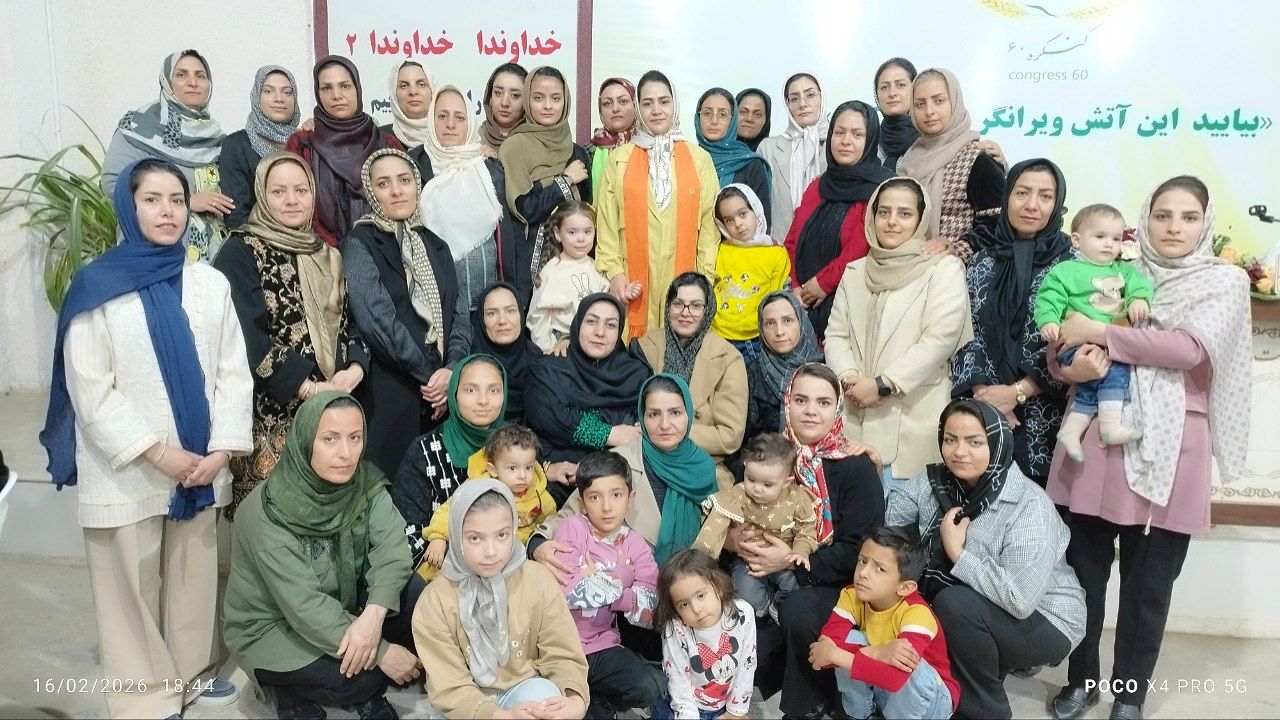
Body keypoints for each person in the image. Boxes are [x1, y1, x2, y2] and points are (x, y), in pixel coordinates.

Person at [41, 158, 253, 718]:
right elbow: (90, 387)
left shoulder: (209, 283)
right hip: (129, 466)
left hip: (201, 464)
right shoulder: (97, 285)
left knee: (192, 579)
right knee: (129, 586)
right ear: (128, 207)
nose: (167, 212)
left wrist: (220, 450)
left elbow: (233, 371)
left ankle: (191, 674)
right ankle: (143, 695)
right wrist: (159, 453)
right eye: (152, 200)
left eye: (177, 200)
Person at [1046, 176, 1251, 720]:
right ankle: (1081, 680)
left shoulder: (1223, 281)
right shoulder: (1116, 272)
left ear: (1205, 222)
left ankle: (1130, 695)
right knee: (1083, 573)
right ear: (1145, 220)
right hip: (1099, 439)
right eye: (1163, 215)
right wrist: (1069, 364)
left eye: (1188, 217)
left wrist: (1100, 333)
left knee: (1149, 584)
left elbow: (1185, 351)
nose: (1174, 227)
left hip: (1174, 445)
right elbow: (1063, 337)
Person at [222, 392, 422, 720]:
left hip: (344, 604)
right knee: (366, 678)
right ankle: (282, 687)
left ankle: (330, 670)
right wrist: (382, 653)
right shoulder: (267, 512)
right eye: (330, 439)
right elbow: (305, 607)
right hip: (276, 625)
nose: (346, 453)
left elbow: (394, 551)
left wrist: (372, 618)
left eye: (355, 437)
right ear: (305, 440)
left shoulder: (364, 482)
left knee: (415, 595)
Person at [887, 398, 1085, 720]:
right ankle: (956, 685)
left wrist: (957, 554)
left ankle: (984, 710)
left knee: (955, 605)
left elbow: (1019, 599)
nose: (959, 452)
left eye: (975, 442)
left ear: (996, 442)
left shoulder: (1028, 504)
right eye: (950, 439)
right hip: (987, 608)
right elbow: (891, 520)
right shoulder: (937, 480)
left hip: (1047, 618)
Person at [213, 152, 369, 519]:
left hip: (331, 415)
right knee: (273, 532)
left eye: (301, 190)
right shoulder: (240, 251)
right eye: (279, 191)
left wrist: (355, 369)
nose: (291, 200)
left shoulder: (328, 254)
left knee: (329, 528)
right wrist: (309, 389)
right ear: (262, 195)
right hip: (271, 420)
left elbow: (351, 322)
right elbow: (246, 340)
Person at [744, 363, 884, 718]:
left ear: (837, 409)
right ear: (787, 402)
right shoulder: (770, 456)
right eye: (801, 400)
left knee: (800, 608)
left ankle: (808, 708)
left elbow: (860, 551)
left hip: (836, 581)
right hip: (765, 572)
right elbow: (738, 507)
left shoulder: (856, 466)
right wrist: (740, 542)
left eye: (823, 402)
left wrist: (791, 561)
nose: (810, 411)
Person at [824, 177, 972, 494]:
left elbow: (940, 339)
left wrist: (883, 384)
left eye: (905, 214)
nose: (892, 221)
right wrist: (850, 380)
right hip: (853, 419)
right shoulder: (855, 271)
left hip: (912, 423)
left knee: (902, 520)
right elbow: (836, 334)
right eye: (884, 212)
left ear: (920, 220)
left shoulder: (943, 269)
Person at [412, 480, 590, 720]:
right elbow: (449, 685)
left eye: (502, 535)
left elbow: (561, 651)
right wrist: (498, 715)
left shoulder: (537, 579)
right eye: (475, 538)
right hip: (464, 704)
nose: (491, 551)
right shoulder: (435, 600)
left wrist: (575, 699)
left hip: (523, 687)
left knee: (546, 699)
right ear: (455, 535)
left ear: (514, 529)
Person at [341, 149, 469, 475]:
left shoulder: (437, 244)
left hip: (442, 397)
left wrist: (452, 370)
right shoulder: (360, 242)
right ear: (371, 192)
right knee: (393, 487)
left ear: (417, 184)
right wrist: (430, 377)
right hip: (393, 393)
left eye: (404, 180)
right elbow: (376, 320)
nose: (397, 191)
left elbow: (459, 314)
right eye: (383, 184)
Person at [952, 158, 1075, 487]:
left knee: (1044, 512)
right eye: (1021, 193)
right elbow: (965, 332)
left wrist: (1018, 392)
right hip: (984, 415)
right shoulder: (982, 259)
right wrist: (988, 396)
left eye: (1045, 196)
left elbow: (1074, 340)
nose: (1031, 205)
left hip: (1047, 417)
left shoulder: (1073, 265)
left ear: (1057, 203)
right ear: (1006, 197)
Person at [530, 374, 717, 569]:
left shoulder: (702, 467)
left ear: (688, 413)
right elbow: (570, 515)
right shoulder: (618, 461)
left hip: (690, 575)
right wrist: (537, 543)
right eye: (654, 414)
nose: (664, 424)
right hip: (624, 578)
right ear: (642, 418)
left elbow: (716, 526)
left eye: (675, 413)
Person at [595, 70, 720, 340]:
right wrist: (615, 275)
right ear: (638, 108)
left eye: (664, 101)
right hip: (632, 286)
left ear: (675, 104)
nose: (656, 111)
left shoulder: (699, 159)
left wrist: (703, 282)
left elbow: (710, 230)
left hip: (685, 285)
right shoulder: (619, 159)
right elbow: (605, 224)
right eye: (647, 103)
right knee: (635, 353)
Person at [550, 450, 666, 719]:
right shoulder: (572, 527)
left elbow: (649, 611)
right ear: (582, 503)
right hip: (562, 647)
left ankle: (597, 700)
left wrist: (606, 588)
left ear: (630, 498)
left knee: (651, 687)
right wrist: (622, 577)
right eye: (595, 497)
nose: (606, 506)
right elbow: (566, 592)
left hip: (602, 645)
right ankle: (588, 702)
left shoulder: (635, 544)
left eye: (616, 495)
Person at [1036, 204, 1152, 459]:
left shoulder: (1123, 270)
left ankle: (1071, 431)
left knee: (1089, 387)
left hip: (1106, 339)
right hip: (1075, 344)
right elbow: (1049, 298)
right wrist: (1048, 321)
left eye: (1116, 238)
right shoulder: (1065, 271)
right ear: (1077, 240)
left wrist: (1138, 300)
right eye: (1100, 236)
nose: (1109, 244)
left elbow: (1140, 285)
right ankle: (1110, 428)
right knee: (1116, 372)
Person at [809, 526, 959, 720]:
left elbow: (895, 679)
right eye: (863, 561)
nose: (863, 573)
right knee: (851, 638)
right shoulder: (851, 595)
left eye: (879, 569)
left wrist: (835, 654)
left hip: (930, 700)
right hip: (884, 686)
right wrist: (876, 652)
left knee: (912, 666)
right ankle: (860, 715)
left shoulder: (917, 614)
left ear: (905, 587)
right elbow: (822, 653)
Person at [102, 50, 230, 262]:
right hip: (153, 252)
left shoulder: (217, 138)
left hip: (213, 257)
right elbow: (113, 184)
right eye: (181, 74)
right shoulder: (139, 127)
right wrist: (185, 202)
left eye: (200, 76)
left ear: (209, 85)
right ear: (167, 82)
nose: (192, 82)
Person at [523, 294, 651, 504]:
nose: (600, 332)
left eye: (611, 325)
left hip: (616, 486)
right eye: (591, 321)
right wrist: (607, 434)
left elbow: (639, 429)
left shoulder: (636, 375)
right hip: (556, 481)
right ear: (578, 325)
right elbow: (545, 415)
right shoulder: (551, 367)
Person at [784, 100, 893, 337]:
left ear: (870, 140)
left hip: (850, 308)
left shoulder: (883, 188)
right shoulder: (817, 186)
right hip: (801, 304)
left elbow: (862, 247)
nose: (845, 141)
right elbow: (792, 240)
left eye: (857, 134)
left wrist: (823, 283)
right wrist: (794, 285)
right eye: (839, 132)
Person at [391, 355, 509, 567]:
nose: (483, 400)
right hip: (442, 573)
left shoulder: (515, 446)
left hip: (506, 566)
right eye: (471, 390)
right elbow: (407, 534)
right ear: (454, 393)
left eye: (493, 390)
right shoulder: (425, 452)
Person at [632, 273, 748, 490]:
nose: (686, 313)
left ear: (708, 310)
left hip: (703, 462)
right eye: (678, 304)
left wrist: (671, 432)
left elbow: (730, 436)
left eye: (696, 306)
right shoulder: (645, 347)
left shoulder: (727, 357)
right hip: (646, 458)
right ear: (668, 307)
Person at [694, 433, 817, 619]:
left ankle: (778, 605)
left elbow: (806, 530)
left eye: (767, 484)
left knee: (796, 589)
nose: (757, 489)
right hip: (749, 560)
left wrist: (800, 552)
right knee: (745, 594)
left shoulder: (797, 499)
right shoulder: (740, 494)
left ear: (786, 482)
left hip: (784, 559)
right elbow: (717, 520)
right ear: (745, 468)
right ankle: (763, 609)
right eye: (751, 479)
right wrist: (703, 557)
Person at [420, 85, 520, 307]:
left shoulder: (489, 167)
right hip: (438, 303)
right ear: (431, 120)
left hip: (490, 302)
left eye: (459, 117)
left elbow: (510, 233)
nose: (450, 124)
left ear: (470, 123)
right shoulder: (414, 167)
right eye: (442, 116)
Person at [499, 65, 592, 303]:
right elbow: (524, 209)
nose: (548, 106)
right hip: (528, 270)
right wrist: (565, 181)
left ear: (565, 102)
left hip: (574, 269)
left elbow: (586, 214)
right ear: (527, 101)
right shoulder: (514, 148)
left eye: (556, 98)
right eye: (539, 98)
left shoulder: (577, 153)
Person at [287, 55, 402, 247]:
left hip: (383, 250)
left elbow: (400, 203)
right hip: (318, 252)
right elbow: (295, 203)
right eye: (326, 88)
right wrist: (332, 250)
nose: (336, 95)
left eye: (345, 86)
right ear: (318, 94)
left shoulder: (387, 144)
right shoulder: (302, 144)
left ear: (357, 89)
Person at [418, 423, 556, 582]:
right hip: (472, 554)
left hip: (511, 564)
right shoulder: (477, 487)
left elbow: (550, 525)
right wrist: (438, 537)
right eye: (512, 468)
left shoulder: (541, 498)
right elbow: (450, 510)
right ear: (493, 469)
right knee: (434, 574)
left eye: (529, 467)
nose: (522, 475)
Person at [898, 68, 1004, 263]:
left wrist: (955, 249)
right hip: (908, 265)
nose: (929, 111)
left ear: (955, 102)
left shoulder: (978, 160)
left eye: (939, 101)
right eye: (920, 104)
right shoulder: (909, 158)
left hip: (955, 271)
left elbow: (996, 225)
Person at [656, 549, 757, 720]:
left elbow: (747, 665)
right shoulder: (675, 628)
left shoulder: (742, 613)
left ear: (718, 586)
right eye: (684, 604)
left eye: (701, 595)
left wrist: (736, 711)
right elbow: (678, 680)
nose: (696, 609)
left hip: (724, 703)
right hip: (685, 705)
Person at [708, 184, 791, 362]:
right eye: (729, 220)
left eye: (743, 214)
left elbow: (776, 299)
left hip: (754, 340)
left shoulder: (776, 253)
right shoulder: (720, 251)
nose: (738, 224)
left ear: (756, 210)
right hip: (718, 336)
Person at [219, 65, 301, 229]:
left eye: (287, 92)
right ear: (257, 97)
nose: (279, 98)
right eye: (268, 91)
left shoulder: (305, 142)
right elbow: (237, 216)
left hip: (307, 239)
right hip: (258, 239)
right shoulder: (237, 145)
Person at [527, 201, 610, 354]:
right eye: (572, 232)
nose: (581, 238)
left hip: (595, 340)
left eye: (587, 232)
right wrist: (549, 348)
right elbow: (537, 316)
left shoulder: (597, 267)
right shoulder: (551, 271)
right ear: (558, 234)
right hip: (562, 344)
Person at [759, 73, 828, 242]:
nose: (803, 104)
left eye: (810, 95)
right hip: (781, 247)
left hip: (828, 246)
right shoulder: (768, 148)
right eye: (794, 99)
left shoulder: (839, 144)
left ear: (821, 98)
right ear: (787, 105)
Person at [743, 292, 822, 440]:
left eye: (787, 320)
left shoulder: (823, 370)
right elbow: (746, 437)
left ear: (801, 322)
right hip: (766, 452)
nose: (779, 332)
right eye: (770, 323)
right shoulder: (751, 374)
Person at [695, 87, 773, 225]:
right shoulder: (688, 159)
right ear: (698, 117)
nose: (714, 121)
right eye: (707, 113)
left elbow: (761, 223)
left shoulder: (751, 164)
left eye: (723, 115)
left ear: (732, 120)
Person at [470, 282, 544, 423]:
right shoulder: (469, 365)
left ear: (521, 314)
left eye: (510, 311)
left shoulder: (538, 361)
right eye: (492, 313)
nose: (502, 320)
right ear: (481, 320)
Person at [382, 60, 436, 182]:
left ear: (433, 91)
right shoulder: (378, 138)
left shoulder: (448, 136)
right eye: (404, 85)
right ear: (394, 94)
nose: (413, 92)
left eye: (421, 84)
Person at [588, 77, 637, 198]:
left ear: (635, 105)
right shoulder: (588, 153)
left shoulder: (649, 147)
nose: (615, 109)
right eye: (607, 103)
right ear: (600, 110)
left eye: (623, 101)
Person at [873, 58, 918, 172]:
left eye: (900, 85)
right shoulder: (869, 144)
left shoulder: (931, 140)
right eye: (884, 87)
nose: (892, 93)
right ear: (877, 94)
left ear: (915, 89)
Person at [479, 63, 529, 155]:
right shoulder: (474, 139)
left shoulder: (536, 140)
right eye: (498, 93)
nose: (505, 103)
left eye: (515, 95)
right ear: (490, 98)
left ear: (526, 101)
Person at [734, 88, 772, 152]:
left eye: (757, 114)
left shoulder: (773, 155)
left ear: (766, 120)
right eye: (743, 112)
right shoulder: (715, 152)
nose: (749, 119)